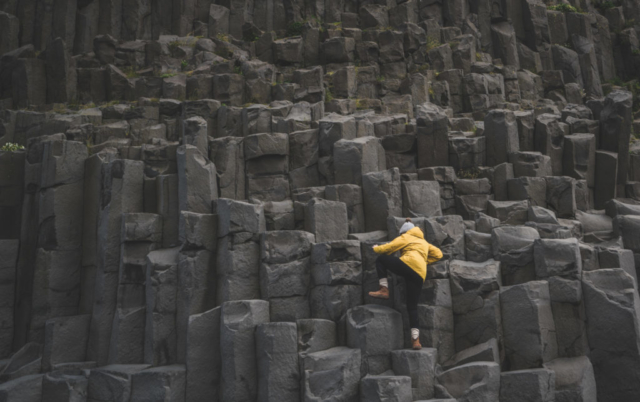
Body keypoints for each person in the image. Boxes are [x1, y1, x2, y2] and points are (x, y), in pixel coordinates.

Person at [369, 218, 443, 350]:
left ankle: (384, 289)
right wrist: (423, 262)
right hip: (419, 274)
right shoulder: (423, 242)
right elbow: (438, 254)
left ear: (404, 232)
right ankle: (416, 341)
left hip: (408, 265)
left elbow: (390, 247)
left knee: (381, 260)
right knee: (412, 307)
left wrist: (376, 249)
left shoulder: (406, 236)